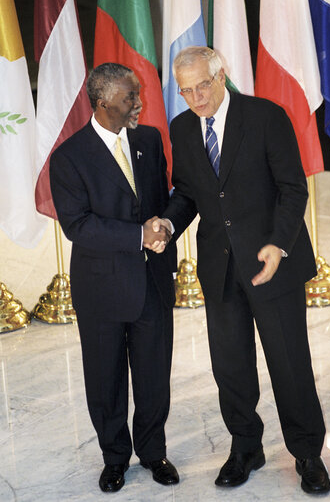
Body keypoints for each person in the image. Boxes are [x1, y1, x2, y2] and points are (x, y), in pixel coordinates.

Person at [153, 46, 330, 495]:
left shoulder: (266, 116)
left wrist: (277, 245)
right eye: (186, 90)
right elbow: (190, 192)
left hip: (272, 264)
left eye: (202, 86)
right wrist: (169, 223)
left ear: (221, 76)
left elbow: (293, 190)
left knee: (289, 364)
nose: (196, 98)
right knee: (230, 367)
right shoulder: (182, 128)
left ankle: (307, 452)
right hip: (219, 267)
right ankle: (245, 447)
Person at [49, 63, 179, 493]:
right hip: (101, 288)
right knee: (105, 379)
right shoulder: (69, 157)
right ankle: (114, 457)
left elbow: (160, 200)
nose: (138, 103)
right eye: (129, 97)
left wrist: (161, 229)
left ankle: (153, 452)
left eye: (136, 94)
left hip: (152, 284)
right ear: (103, 103)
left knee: (154, 375)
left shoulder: (149, 140)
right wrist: (139, 235)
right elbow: (78, 226)